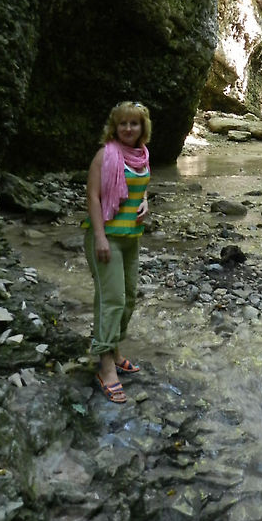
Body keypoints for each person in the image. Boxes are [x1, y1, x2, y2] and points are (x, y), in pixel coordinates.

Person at [83, 101, 152, 403]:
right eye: (122, 123)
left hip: (130, 237)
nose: (128, 128)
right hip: (106, 237)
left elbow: (141, 186)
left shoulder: (142, 156)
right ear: (115, 126)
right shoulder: (105, 155)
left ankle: (114, 346)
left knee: (129, 297)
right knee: (111, 301)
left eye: (133, 123)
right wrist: (99, 237)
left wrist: (146, 202)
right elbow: (94, 197)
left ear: (142, 128)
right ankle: (105, 365)